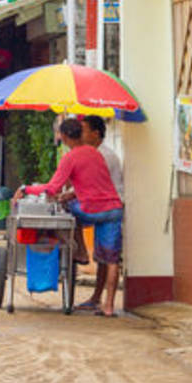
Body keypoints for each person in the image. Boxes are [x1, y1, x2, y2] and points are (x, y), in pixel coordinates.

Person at [24, 117, 124, 316]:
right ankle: (109, 306)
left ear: (64, 137)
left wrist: (26, 189)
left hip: (91, 209)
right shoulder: (96, 154)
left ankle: (80, 251)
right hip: (113, 208)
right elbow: (94, 184)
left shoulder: (69, 158)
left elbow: (53, 188)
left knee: (67, 210)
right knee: (112, 260)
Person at [80, 114, 124, 310]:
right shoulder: (98, 153)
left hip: (109, 208)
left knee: (111, 258)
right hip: (106, 207)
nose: (81, 134)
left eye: (84, 130)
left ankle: (109, 304)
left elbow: (91, 184)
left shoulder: (103, 156)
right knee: (104, 258)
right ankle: (98, 299)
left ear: (95, 133)